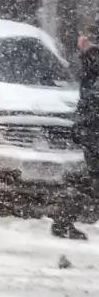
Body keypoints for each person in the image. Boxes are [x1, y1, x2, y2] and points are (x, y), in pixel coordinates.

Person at [50, 32, 98, 242]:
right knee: (93, 180)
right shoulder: (94, 61)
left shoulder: (92, 60)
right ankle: (63, 219)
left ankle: (63, 219)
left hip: (91, 129)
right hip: (93, 129)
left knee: (93, 179)